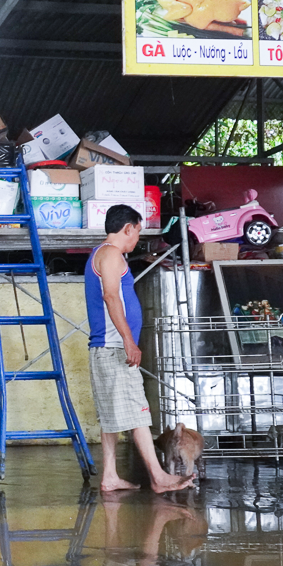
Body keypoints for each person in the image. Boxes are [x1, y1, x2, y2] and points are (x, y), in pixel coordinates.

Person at [85, 205, 194, 493]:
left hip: (106, 348)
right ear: (128, 228)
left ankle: (110, 475)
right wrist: (128, 340)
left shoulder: (102, 253)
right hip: (114, 348)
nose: (137, 238)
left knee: (111, 416)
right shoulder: (110, 254)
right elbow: (111, 296)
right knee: (138, 413)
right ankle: (159, 477)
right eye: (138, 231)